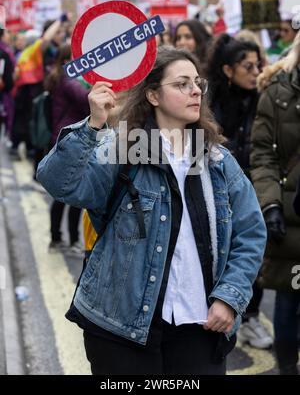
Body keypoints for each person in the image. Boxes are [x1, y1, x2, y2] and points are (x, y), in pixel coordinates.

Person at [37, 46, 266, 375]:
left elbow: (251, 231)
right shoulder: (122, 148)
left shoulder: (217, 160)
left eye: (197, 82)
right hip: (121, 328)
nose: (195, 90)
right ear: (153, 96)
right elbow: (57, 182)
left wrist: (230, 296)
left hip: (199, 325)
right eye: (182, 84)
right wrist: (92, 125)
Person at [207, 33, 273, 349]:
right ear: (228, 70)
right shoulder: (208, 105)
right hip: (217, 191)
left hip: (255, 186)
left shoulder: (265, 97)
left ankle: (249, 318)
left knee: (253, 252)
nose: (255, 71)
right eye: (247, 66)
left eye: (258, 65)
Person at [250, 31, 300, 374]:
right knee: (289, 298)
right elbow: (263, 156)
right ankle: (287, 368)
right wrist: (270, 205)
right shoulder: (276, 92)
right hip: (291, 215)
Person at [44, 44, 90, 256]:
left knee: (64, 194)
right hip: (71, 141)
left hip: (66, 139)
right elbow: (86, 101)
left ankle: (58, 239)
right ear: (66, 61)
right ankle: (69, 240)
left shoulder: (62, 77)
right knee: (72, 194)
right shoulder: (69, 80)